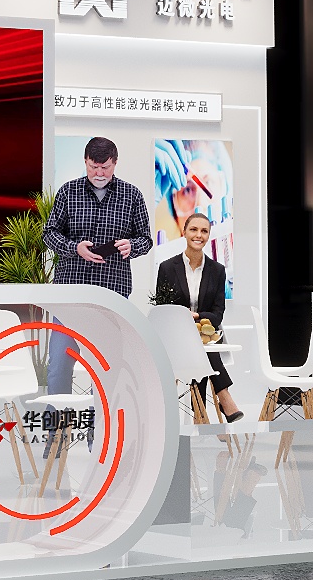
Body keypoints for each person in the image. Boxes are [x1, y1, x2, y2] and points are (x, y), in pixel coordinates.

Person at [42, 137, 153, 395]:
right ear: (85, 162)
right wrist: (74, 248)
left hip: (112, 297)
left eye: (105, 167)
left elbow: (146, 239)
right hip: (70, 296)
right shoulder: (68, 192)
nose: (99, 173)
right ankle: (56, 421)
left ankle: (103, 421)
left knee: (106, 368)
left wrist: (131, 246)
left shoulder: (132, 195)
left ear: (115, 163)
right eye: (93, 167)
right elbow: (49, 233)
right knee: (58, 365)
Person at [155, 210, 239, 422]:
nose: (198, 235)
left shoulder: (217, 270)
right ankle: (222, 398)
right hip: (175, 338)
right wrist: (184, 321)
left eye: (204, 231)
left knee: (201, 344)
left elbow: (217, 315)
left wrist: (195, 316)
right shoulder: (167, 268)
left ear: (209, 235)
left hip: (205, 334)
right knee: (200, 347)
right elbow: (162, 310)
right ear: (184, 232)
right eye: (193, 229)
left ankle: (201, 414)